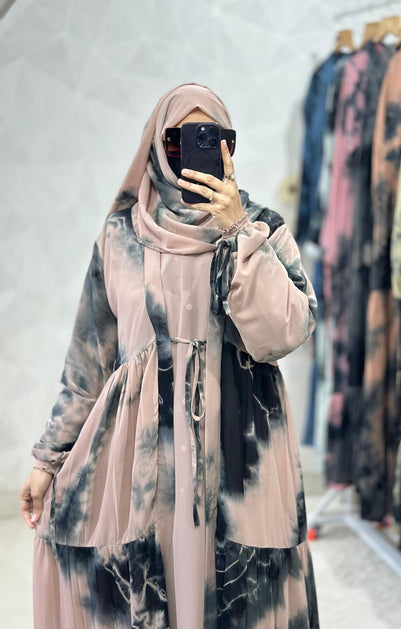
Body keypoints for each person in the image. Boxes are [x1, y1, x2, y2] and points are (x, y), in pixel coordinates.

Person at [20, 83, 320, 629]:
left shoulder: (263, 228)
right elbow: (88, 365)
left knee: (239, 597)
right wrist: (48, 461)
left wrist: (238, 229)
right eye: (178, 142)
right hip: (140, 460)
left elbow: (286, 331)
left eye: (215, 139)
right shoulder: (121, 236)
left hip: (239, 454)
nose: (194, 155)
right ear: (156, 147)